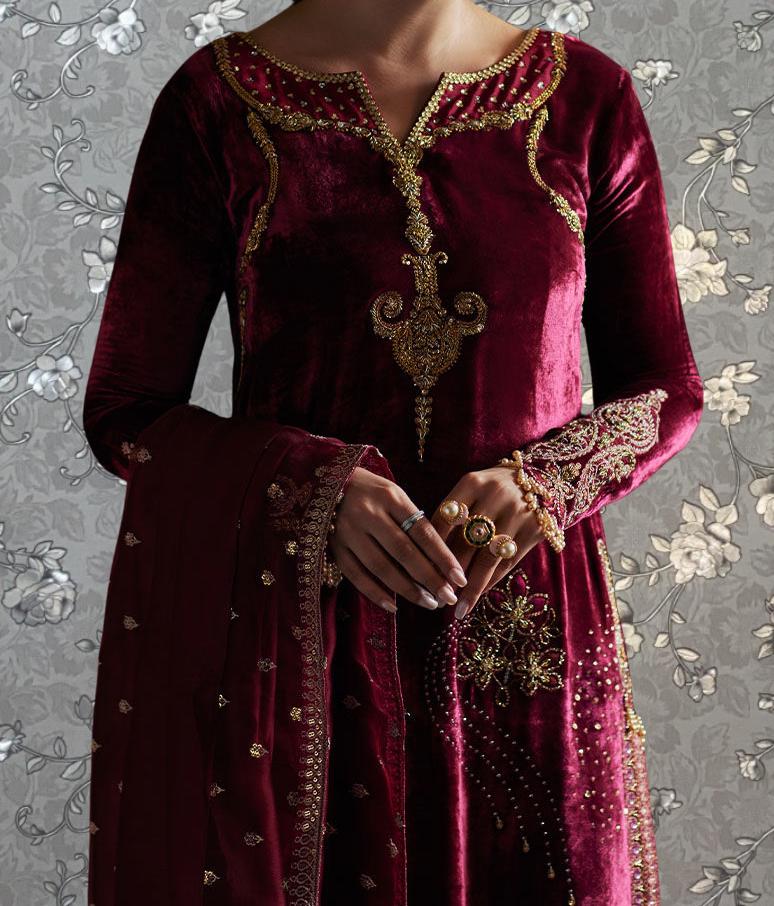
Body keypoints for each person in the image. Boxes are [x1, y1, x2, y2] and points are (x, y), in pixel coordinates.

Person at [83, 1, 703, 904]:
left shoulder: (584, 99)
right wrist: (307, 489)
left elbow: (664, 387)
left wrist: (550, 482)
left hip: (520, 638)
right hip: (307, 654)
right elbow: (128, 411)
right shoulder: (218, 105)